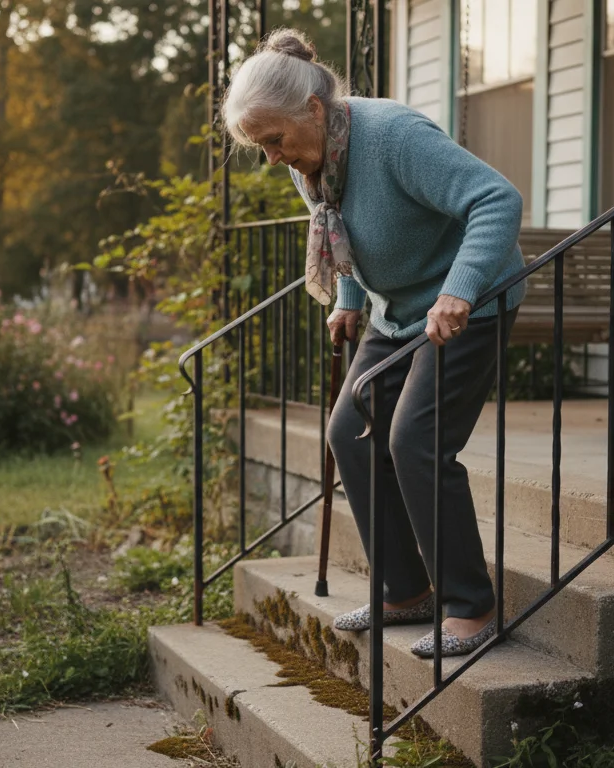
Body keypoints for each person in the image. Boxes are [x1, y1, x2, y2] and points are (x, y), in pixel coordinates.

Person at [221, 28, 527, 658]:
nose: (272, 158)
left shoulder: (394, 137)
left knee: (415, 441)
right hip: (395, 311)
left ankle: (472, 606)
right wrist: (351, 300)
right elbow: (342, 229)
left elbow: (497, 198)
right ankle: (405, 589)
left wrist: (460, 290)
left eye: (273, 141)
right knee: (348, 435)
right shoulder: (313, 156)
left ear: (313, 110)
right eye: (260, 147)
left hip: (467, 306)